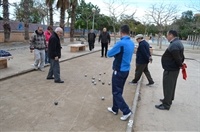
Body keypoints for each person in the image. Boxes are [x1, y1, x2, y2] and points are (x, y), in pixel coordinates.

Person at [107, 25, 134, 121]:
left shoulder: (121, 43)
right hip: (126, 70)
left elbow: (109, 54)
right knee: (118, 91)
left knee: (116, 92)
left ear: (121, 32)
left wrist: (112, 49)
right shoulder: (131, 43)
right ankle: (115, 108)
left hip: (119, 70)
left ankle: (126, 111)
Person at [155, 30, 185, 110]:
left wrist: (180, 65)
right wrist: (180, 65)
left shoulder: (174, 45)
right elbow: (181, 57)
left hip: (171, 69)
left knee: (168, 86)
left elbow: (178, 58)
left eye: (167, 35)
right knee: (171, 85)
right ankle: (168, 99)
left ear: (171, 35)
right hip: (173, 68)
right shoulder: (177, 42)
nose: (166, 36)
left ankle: (166, 104)